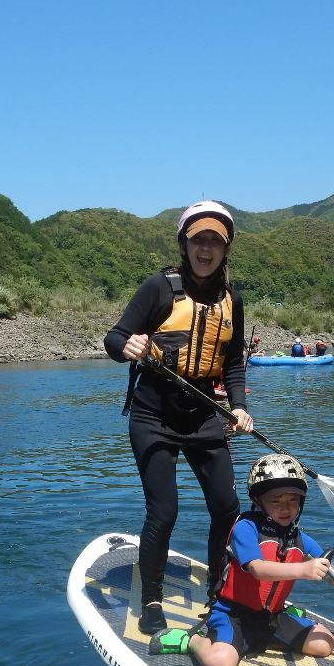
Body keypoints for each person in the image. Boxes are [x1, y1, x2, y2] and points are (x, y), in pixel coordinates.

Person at [104, 201, 254, 635]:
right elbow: (115, 337)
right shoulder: (158, 288)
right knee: (164, 511)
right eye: (198, 240)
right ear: (184, 244)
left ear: (226, 250)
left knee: (227, 507)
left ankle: (217, 591)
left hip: (205, 412)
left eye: (215, 242)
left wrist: (239, 405)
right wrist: (126, 347)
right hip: (153, 414)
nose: (205, 249)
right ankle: (152, 596)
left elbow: (233, 364)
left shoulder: (232, 301)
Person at [152, 454, 334, 666]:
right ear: (258, 500)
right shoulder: (245, 529)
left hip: (271, 617)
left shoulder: (300, 540)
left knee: (324, 645)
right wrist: (303, 570)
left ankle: (282, 624)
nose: (286, 508)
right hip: (233, 614)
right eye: (275, 500)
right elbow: (257, 568)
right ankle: (191, 640)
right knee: (220, 665)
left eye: (293, 500)